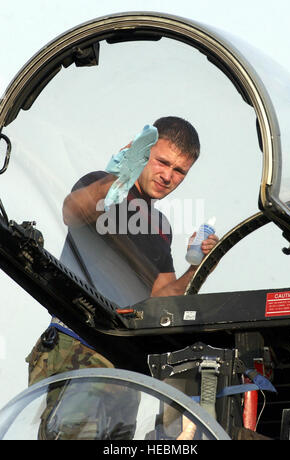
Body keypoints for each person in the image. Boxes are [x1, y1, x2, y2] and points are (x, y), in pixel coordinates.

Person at [25, 116, 219, 439]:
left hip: (123, 367)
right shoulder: (102, 185)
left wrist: (199, 267)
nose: (168, 176)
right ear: (143, 153)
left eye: (180, 171)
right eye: (162, 162)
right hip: (77, 348)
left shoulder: (160, 229)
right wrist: (121, 176)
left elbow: (162, 299)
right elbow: (74, 211)